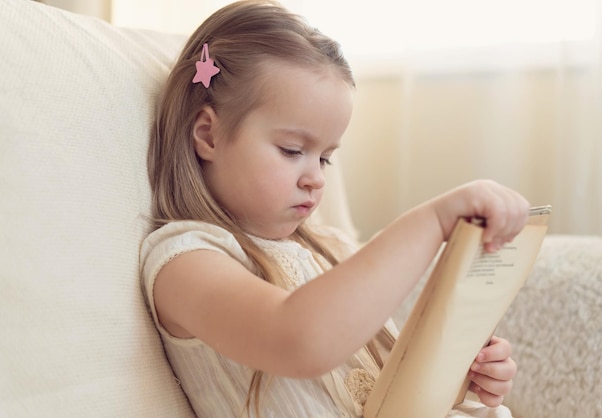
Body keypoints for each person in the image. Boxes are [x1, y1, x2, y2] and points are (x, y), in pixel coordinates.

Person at [141, 1, 525, 417]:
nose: (316, 178)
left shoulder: (329, 249)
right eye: (292, 151)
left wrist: (458, 376)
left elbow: (390, 395)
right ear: (208, 135)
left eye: (325, 158)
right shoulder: (185, 259)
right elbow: (298, 339)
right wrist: (432, 221)